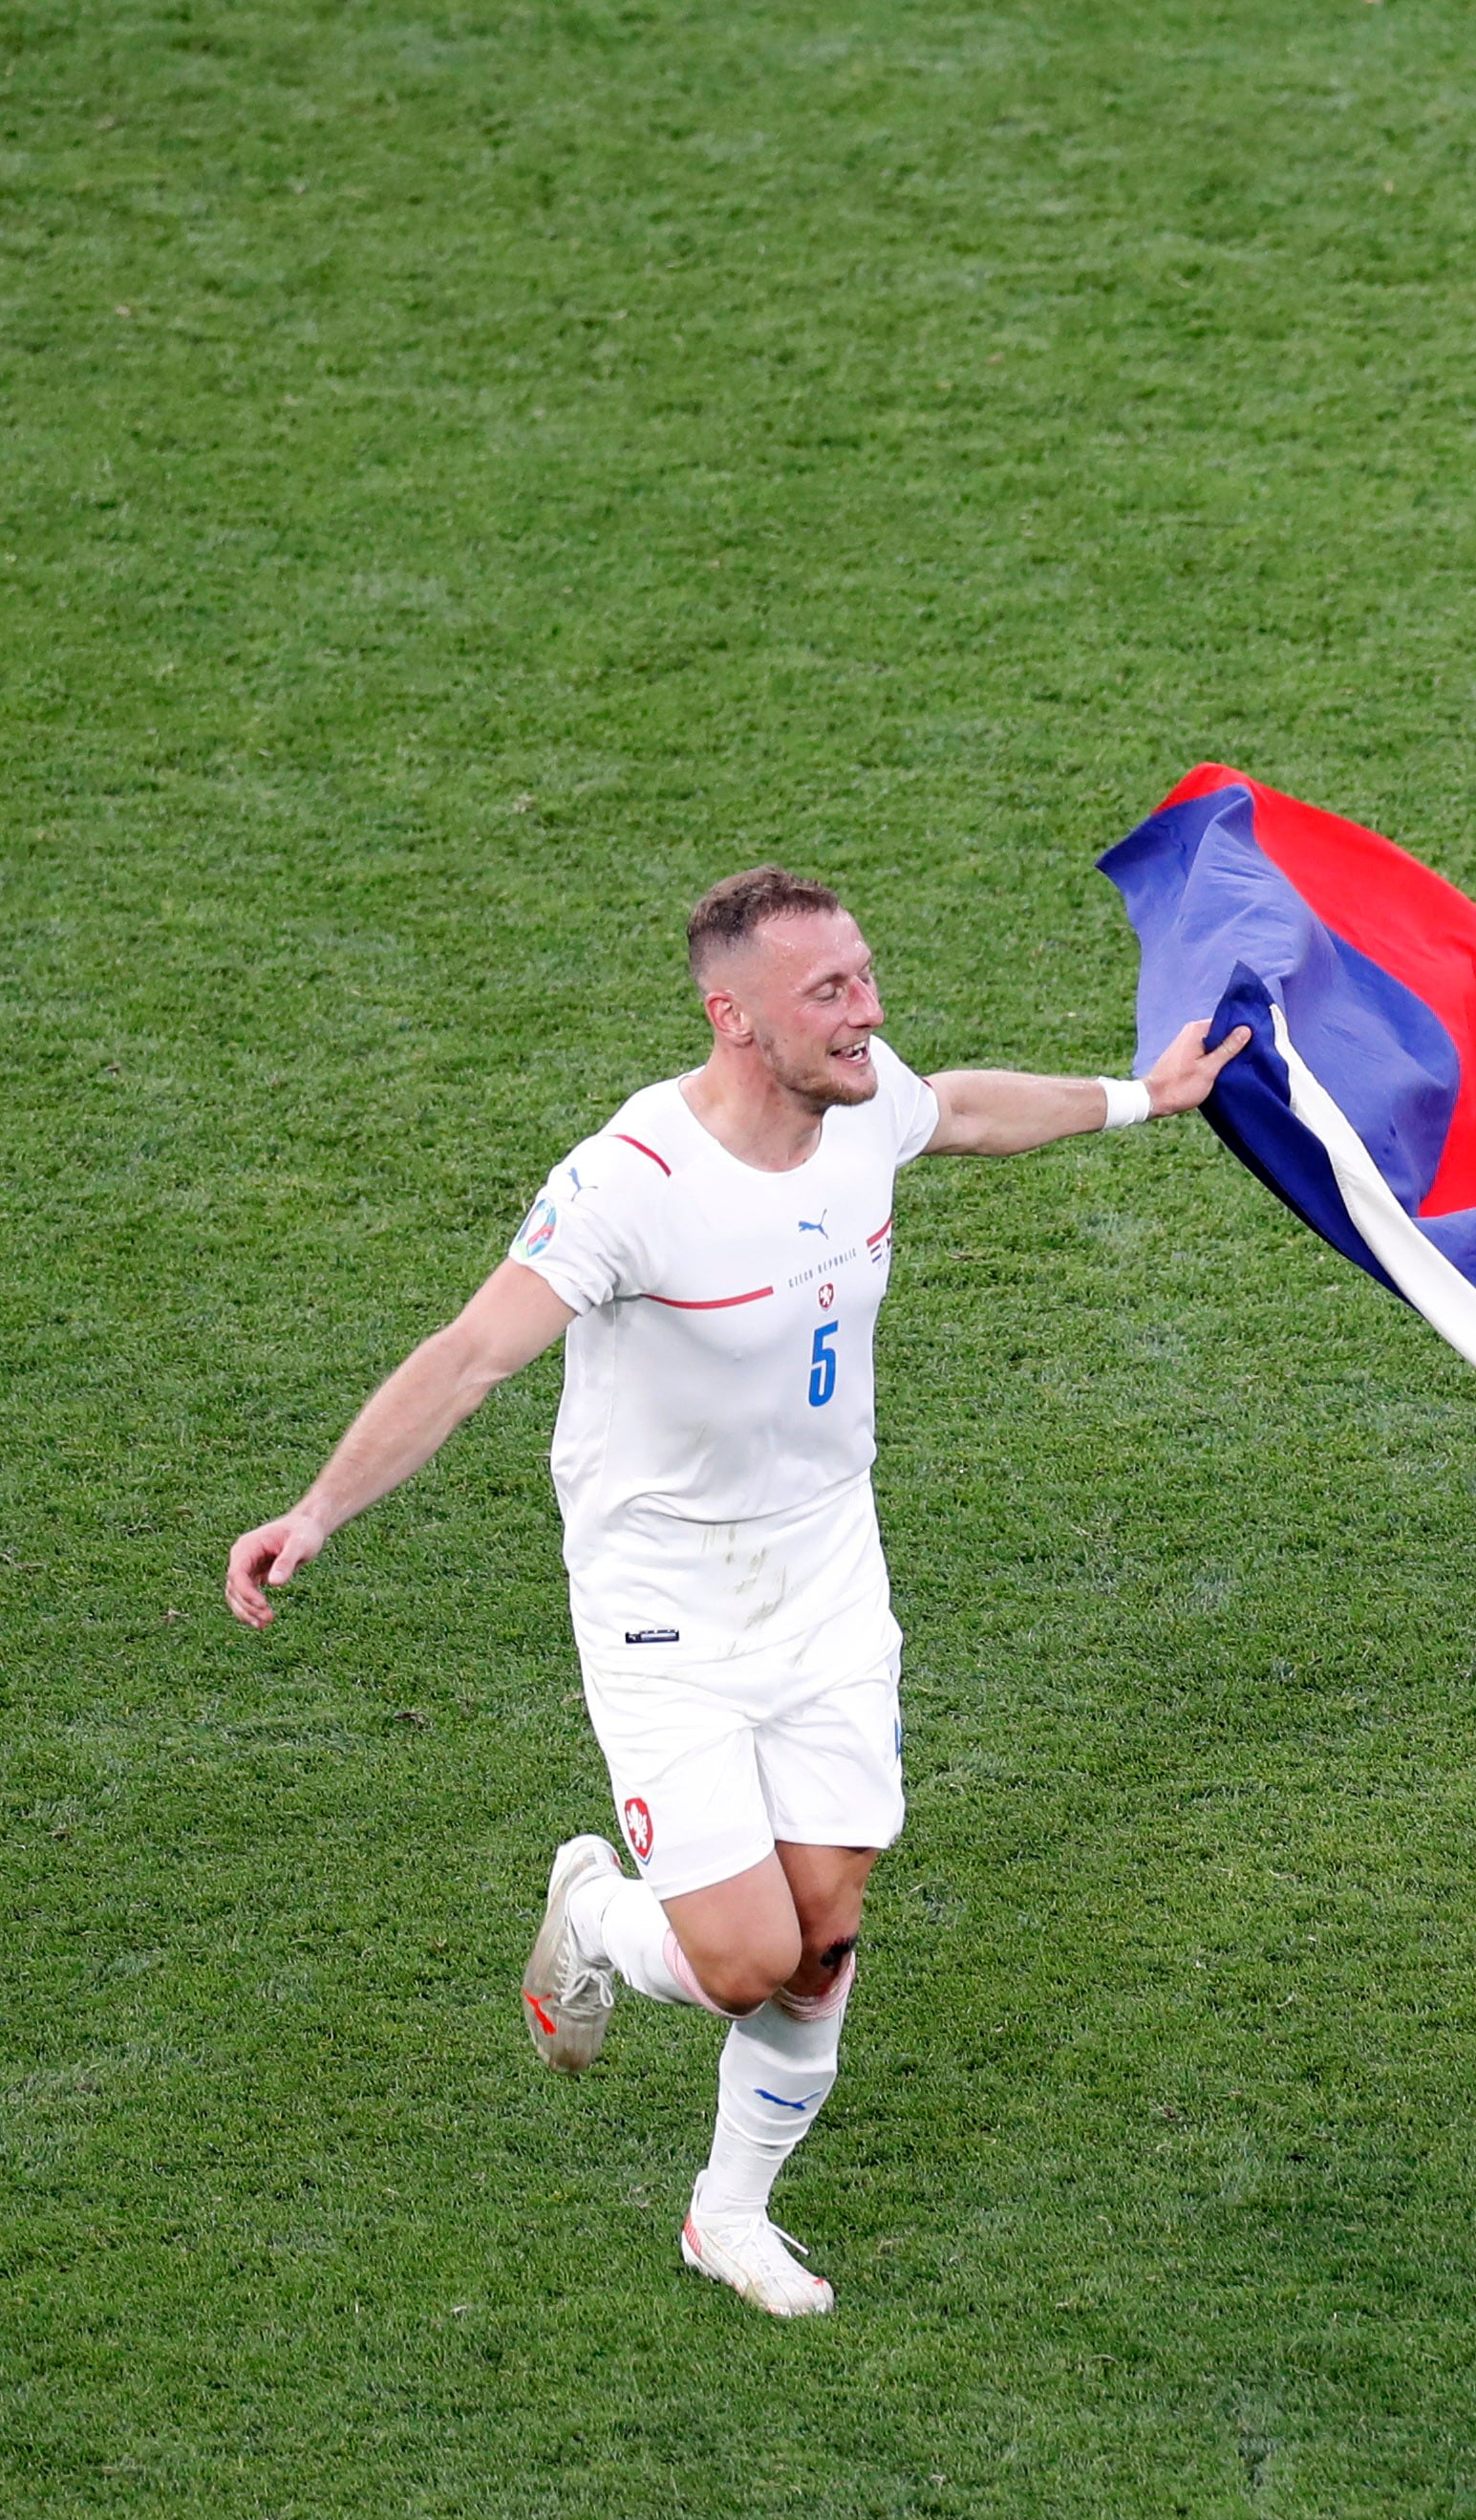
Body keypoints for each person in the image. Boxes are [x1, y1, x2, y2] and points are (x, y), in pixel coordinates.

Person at [225, 868, 1246, 2314]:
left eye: (865, 977)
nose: (867, 1013)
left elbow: (953, 1107)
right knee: (739, 1960)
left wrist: (1144, 1098)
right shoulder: (631, 1185)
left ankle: (728, 2216)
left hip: (826, 1575)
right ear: (733, 1015)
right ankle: (597, 1913)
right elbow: (469, 1357)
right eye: (828, 992)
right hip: (666, 1605)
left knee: (824, 1939)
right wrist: (318, 1509)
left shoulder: (862, 1098)